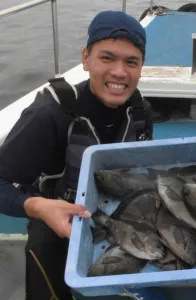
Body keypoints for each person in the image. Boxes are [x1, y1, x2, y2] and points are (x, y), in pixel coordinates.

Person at [0, 11, 153, 300]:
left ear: (141, 67)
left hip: (120, 216)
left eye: (131, 62)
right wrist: (37, 207)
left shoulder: (141, 112)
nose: (120, 72)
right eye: (107, 58)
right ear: (86, 59)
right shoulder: (49, 115)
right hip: (55, 223)